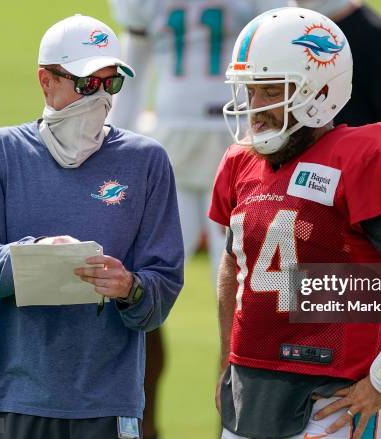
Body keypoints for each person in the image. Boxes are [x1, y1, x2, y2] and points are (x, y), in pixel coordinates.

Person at [210, 7, 381, 439]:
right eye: (250, 90)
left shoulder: (361, 156)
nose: (256, 107)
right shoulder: (241, 163)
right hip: (249, 392)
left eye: (271, 90)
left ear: (318, 90)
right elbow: (233, 268)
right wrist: (226, 361)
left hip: (330, 401)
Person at [0, 14, 184, 439]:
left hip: (108, 407)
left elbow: (162, 290)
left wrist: (129, 286)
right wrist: (41, 253)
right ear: (47, 81)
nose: (99, 97)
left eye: (110, 83)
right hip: (11, 401)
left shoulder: (147, 161)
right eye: (85, 83)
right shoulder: (1, 152)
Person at [107, 2, 288, 437]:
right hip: (171, 144)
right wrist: (112, 143)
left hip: (242, 143)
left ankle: (237, 425)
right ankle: (140, 423)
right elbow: (133, 61)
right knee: (140, 290)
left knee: (248, 301)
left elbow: (283, 50)